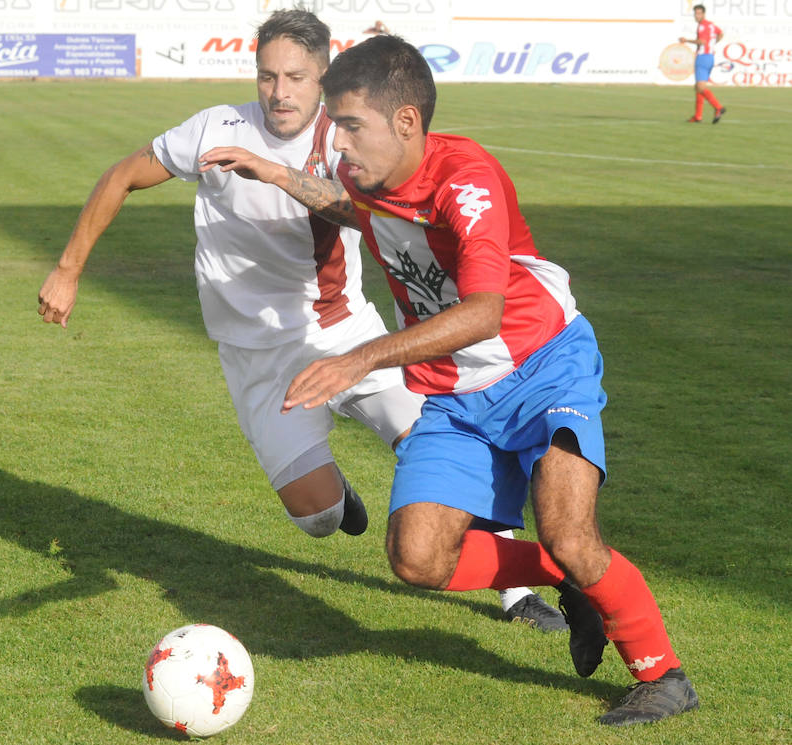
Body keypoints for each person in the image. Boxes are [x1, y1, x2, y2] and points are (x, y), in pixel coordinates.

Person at [202, 34, 700, 726]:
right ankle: (565, 578)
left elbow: (484, 312)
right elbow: (356, 209)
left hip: (542, 363)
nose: (335, 141)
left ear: (406, 121)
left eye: (349, 124)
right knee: (418, 557)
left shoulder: (466, 180)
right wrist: (278, 174)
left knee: (570, 532)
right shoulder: (363, 177)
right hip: (454, 389)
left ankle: (664, 676)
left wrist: (362, 356)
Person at [37, 10, 563, 629]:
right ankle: (338, 498)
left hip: (348, 334)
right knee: (316, 518)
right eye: (267, 76)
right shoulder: (216, 128)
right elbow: (125, 174)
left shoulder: (349, 142)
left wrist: (284, 177)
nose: (279, 92)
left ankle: (522, 591)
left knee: (444, 448)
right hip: (256, 357)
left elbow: (363, 213)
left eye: (295, 76)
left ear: (323, 76)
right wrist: (69, 269)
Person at [679, 4, 726, 123]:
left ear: (703, 14)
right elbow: (720, 34)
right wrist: (713, 44)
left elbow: (702, 41)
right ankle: (698, 116)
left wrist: (686, 40)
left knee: (700, 87)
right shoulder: (711, 25)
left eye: (699, 13)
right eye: (695, 13)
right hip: (710, 57)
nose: (697, 16)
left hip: (702, 58)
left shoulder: (702, 26)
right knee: (698, 87)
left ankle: (718, 107)